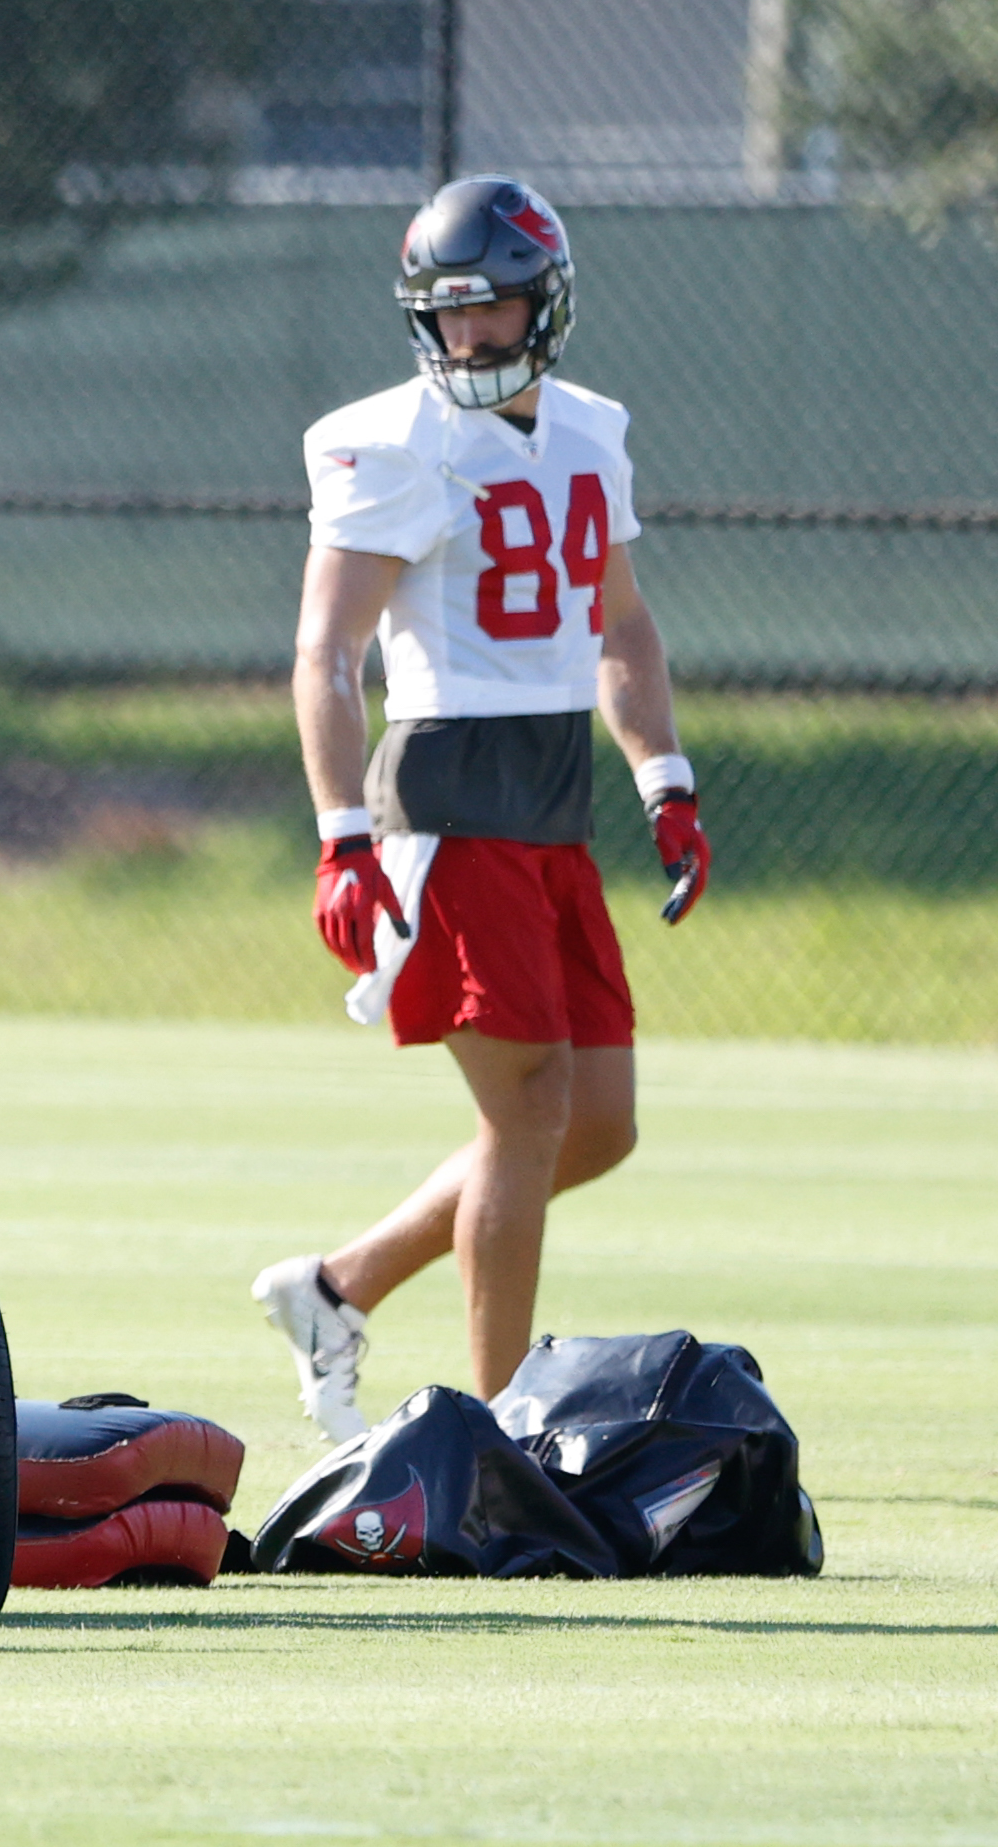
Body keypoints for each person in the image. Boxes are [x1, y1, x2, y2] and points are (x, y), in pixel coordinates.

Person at [252, 174, 711, 1442]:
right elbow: (325, 655)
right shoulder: (390, 438)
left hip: (555, 797)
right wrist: (343, 829)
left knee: (598, 1120)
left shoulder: (590, 430)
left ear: (543, 305)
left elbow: (619, 623)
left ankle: (338, 1286)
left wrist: (662, 777)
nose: (469, 337)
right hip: (448, 795)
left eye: (492, 309)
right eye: (448, 314)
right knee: (528, 1108)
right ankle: (501, 1428)